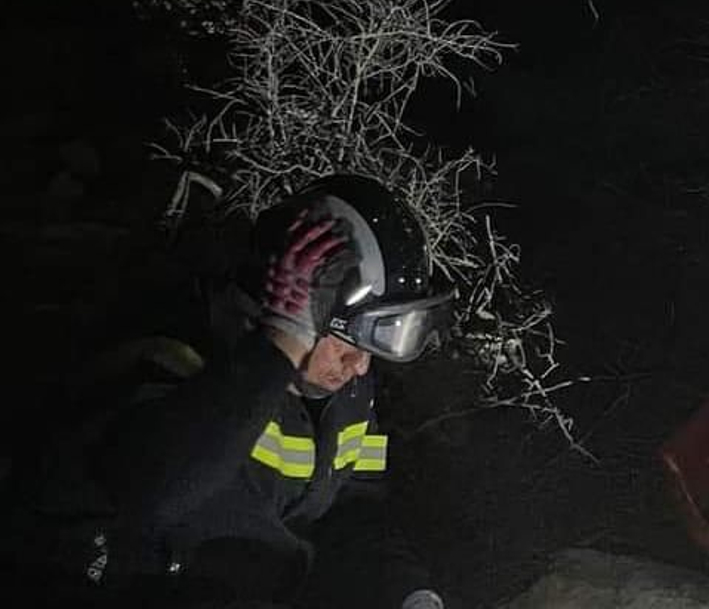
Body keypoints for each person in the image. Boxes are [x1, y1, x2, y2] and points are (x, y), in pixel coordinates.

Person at [0, 174, 454, 608]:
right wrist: (277, 349)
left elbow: (353, 509)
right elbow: (156, 494)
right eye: (347, 343)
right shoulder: (173, 353)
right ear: (304, 310)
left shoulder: (349, 395)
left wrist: (407, 591)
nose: (359, 367)